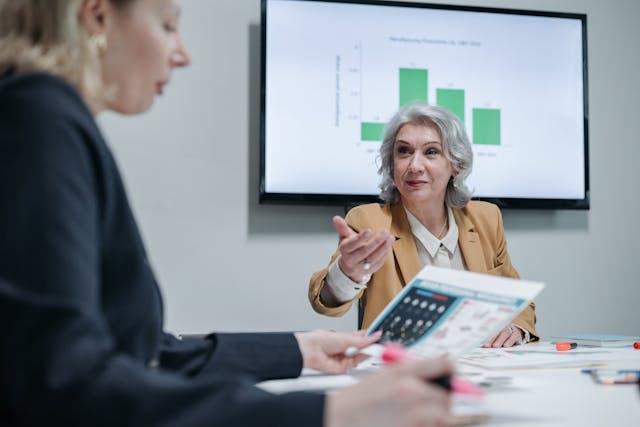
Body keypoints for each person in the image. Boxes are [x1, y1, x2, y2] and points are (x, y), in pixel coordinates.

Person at [0, 0, 454, 426]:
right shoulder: (38, 120)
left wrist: (296, 350)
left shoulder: (46, 118)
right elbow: (63, 383)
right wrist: (329, 412)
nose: (183, 55)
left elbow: (145, 354)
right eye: (167, 25)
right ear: (97, 16)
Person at [309, 103, 538, 347]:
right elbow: (326, 301)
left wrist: (516, 328)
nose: (415, 166)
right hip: (402, 371)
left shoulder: (486, 219)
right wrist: (347, 273)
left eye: (431, 152)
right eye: (404, 151)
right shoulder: (369, 221)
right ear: (391, 164)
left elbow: (517, 301)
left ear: (456, 164)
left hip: (478, 368)